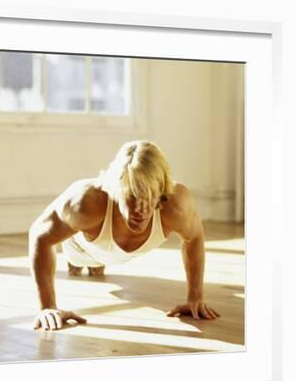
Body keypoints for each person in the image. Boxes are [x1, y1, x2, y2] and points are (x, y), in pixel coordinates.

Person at [28, 140, 220, 331]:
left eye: (149, 197)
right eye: (132, 196)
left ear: (161, 192)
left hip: (111, 247)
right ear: (116, 190)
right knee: (78, 262)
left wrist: (195, 298)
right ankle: (83, 258)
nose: (140, 210)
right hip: (81, 248)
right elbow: (39, 234)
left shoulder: (177, 206)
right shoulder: (85, 204)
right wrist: (47, 307)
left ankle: (99, 258)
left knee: (101, 262)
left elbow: (193, 237)